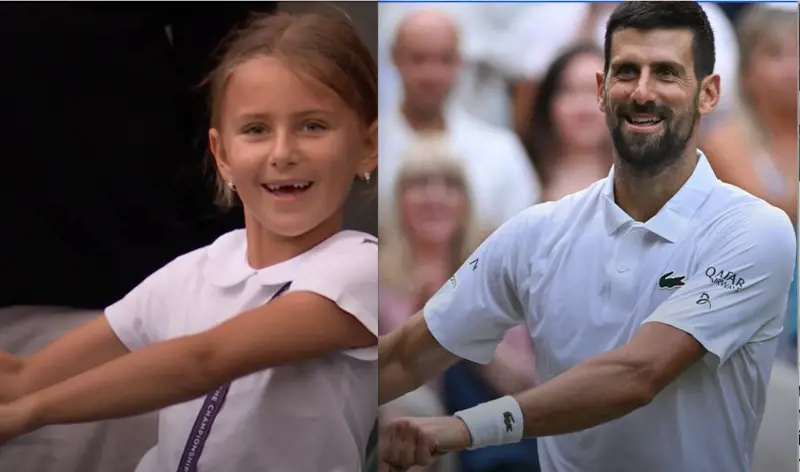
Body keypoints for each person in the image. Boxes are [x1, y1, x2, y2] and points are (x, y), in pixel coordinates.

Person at [377, 3, 796, 472]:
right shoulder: (538, 231)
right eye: (625, 72)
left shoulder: (753, 229)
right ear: (601, 90)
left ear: (708, 93)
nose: (642, 92)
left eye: (666, 73)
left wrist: (465, 428)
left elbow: (637, 374)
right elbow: (407, 356)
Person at [0, 11, 378, 472]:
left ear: (368, 146)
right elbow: (22, 378)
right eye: (256, 129)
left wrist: (30, 414)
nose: (282, 153)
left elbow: (204, 360)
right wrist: (21, 398)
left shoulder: (360, 270)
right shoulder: (193, 271)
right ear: (221, 154)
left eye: (313, 126)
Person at [379, 9, 540, 233]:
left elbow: (522, 245)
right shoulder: (370, 150)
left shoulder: (501, 153)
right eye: (418, 59)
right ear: (394, 58)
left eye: (445, 60)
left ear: (460, 63)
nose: (431, 74)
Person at [523, 43, 613, 202]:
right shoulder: (518, 171)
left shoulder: (646, 182)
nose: (584, 107)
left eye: (597, 92)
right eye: (570, 91)